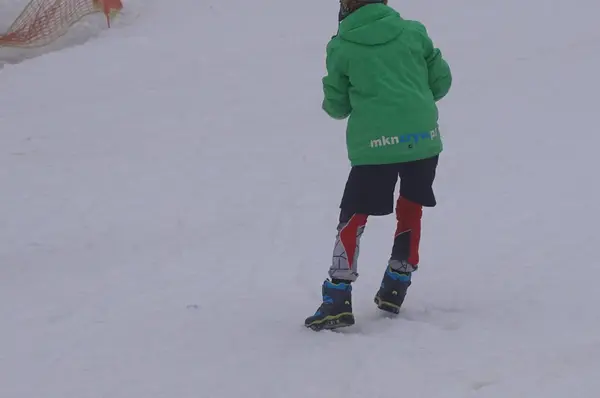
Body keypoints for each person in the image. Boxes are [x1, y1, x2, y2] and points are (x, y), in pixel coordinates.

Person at [305, 0, 452, 331]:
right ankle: (397, 284)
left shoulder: (342, 46)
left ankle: (337, 298)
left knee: (355, 213)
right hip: (422, 139)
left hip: (375, 146)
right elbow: (441, 82)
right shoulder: (414, 32)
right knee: (411, 205)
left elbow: (337, 106)